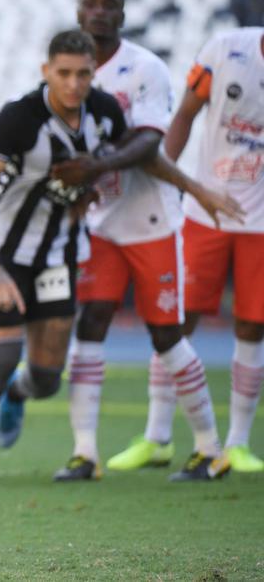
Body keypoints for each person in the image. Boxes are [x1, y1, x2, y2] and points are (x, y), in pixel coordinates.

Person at [55, 0, 241, 482]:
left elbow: (147, 146)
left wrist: (93, 168)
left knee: (165, 333)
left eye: (108, 5)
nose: (98, 12)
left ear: (122, 14)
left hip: (153, 221)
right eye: (89, 4)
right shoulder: (70, 71)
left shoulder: (145, 69)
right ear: (77, 12)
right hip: (102, 223)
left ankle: (210, 448)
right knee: (90, 322)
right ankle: (85, 453)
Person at [0, 29, 142, 484]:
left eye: (83, 74)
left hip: (58, 256)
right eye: (64, 73)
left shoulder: (106, 115)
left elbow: (126, 159)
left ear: (95, 73)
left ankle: (18, 394)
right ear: (46, 72)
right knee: (1, 357)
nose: (73, 83)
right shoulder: (19, 118)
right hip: (5, 254)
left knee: (48, 379)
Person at [111, 26, 264, 474]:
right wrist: (164, 177)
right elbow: (184, 116)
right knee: (177, 321)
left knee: (253, 326)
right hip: (204, 212)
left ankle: (237, 442)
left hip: (261, 222)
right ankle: (157, 436)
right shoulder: (226, 48)